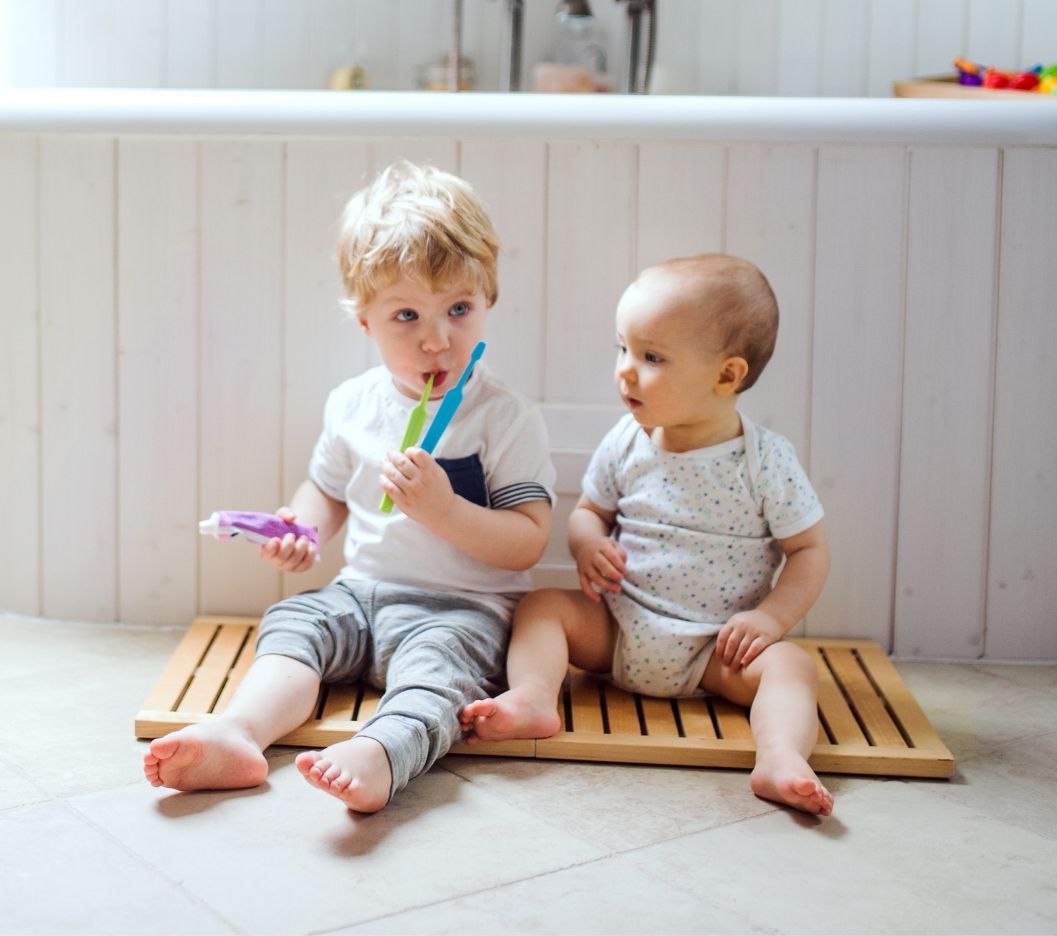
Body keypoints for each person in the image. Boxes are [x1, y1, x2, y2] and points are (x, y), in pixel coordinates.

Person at [144, 161, 556, 813]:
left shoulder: (504, 416)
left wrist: (444, 510)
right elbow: (328, 489)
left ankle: (383, 751)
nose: (436, 338)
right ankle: (240, 732)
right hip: (361, 595)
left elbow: (528, 543)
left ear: (487, 301)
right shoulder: (353, 404)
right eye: (405, 315)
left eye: (458, 308)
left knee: (438, 674)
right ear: (365, 323)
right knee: (295, 621)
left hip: (462, 610)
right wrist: (303, 530)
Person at [460, 253, 833, 817]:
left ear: (726, 375)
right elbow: (588, 511)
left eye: (651, 357)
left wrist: (772, 619)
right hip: (618, 630)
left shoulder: (764, 461)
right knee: (540, 607)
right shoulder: (627, 440)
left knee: (793, 667)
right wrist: (587, 545)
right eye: (623, 349)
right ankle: (534, 698)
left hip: (716, 649)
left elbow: (808, 551)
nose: (626, 371)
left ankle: (780, 757)